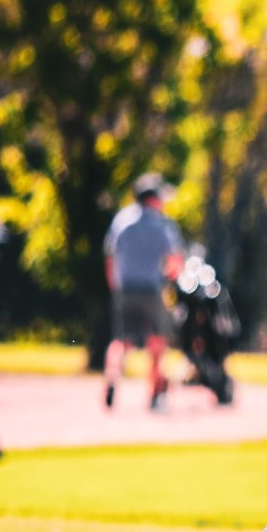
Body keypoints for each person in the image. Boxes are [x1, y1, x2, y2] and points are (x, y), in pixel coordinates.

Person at [104, 173, 186, 411]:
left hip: (125, 288)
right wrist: (172, 278)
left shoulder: (121, 220)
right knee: (156, 342)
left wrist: (115, 286)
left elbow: (110, 258)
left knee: (120, 340)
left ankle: (112, 377)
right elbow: (175, 261)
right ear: (152, 199)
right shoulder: (162, 224)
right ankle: (153, 395)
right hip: (151, 289)